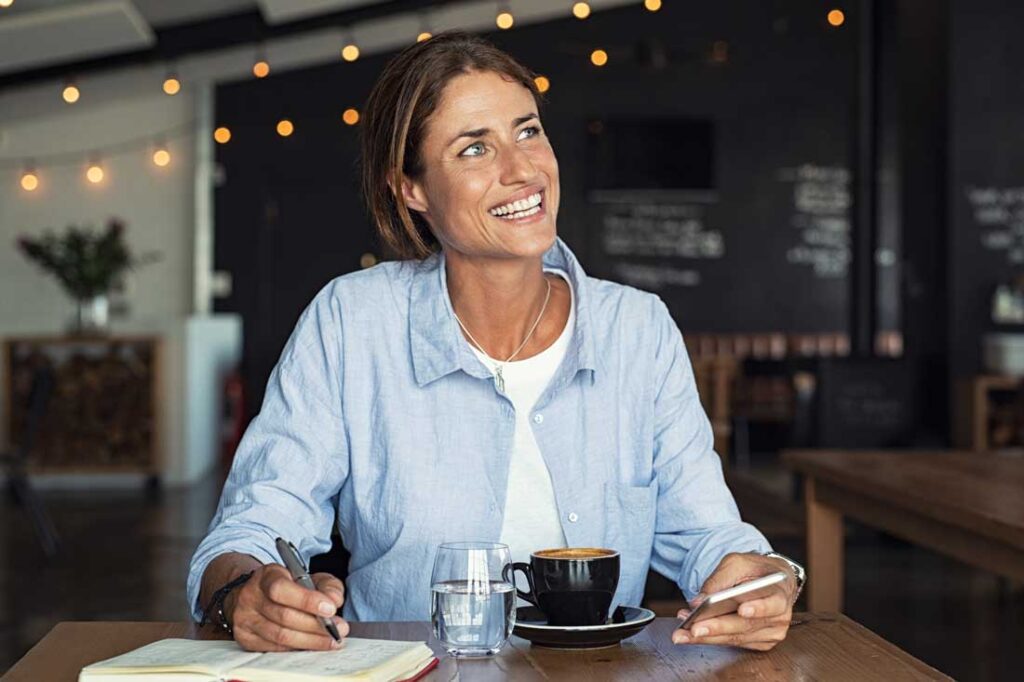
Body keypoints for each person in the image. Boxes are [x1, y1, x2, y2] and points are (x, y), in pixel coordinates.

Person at [188, 31, 804, 654]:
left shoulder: (637, 331)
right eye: (475, 148)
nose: (521, 170)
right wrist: (245, 593)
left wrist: (767, 578)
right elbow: (254, 526)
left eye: (528, 131)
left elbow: (711, 537)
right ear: (413, 189)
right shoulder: (352, 322)